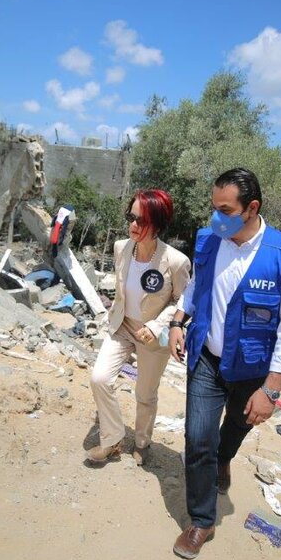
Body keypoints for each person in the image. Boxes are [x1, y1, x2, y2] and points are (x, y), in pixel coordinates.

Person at [167, 168, 281, 560]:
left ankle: (224, 459)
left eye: (225, 209)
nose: (216, 217)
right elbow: (198, 287)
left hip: (253, 370)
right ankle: (201, 521)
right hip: (207, 360)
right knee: (198, 438)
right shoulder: (210, 240)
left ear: (252, 208)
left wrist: (272, 390)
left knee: (234, 429)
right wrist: (178, 321)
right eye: (214, 208)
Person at [86, 190, 191, 466]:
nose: (134, 225)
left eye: (142, 220)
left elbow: (183, 301)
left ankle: (142, 442)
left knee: (145, 394)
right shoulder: (122, 248)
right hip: (122, 325)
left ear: (157, 224)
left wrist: (156, 326)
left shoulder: (176, 261)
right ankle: (112, 439)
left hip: (153, 335)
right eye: (131, 217)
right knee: (99, 378)